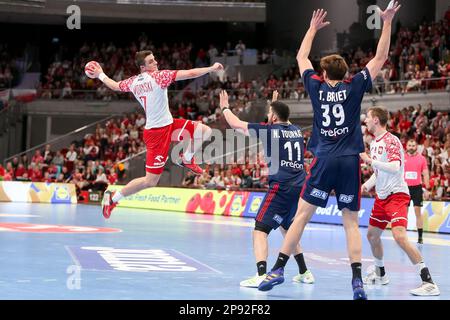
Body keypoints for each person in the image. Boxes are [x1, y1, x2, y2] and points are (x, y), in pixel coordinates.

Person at [258, 3, 401, 300]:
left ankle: (278, 269)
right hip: (349, 162)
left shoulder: (316, 87)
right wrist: (386, 22)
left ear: (323, 73)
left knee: (301, 217)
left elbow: (300, 57)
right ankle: (357, 281)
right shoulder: (355, 85)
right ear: (346, 71)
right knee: (350, 223)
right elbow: (382, 56)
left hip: (323, 160)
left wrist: (311, 30)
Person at [86, 50, 223, 218]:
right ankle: (113, 198)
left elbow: (114, 85)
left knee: (205, 131)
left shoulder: (133, 81)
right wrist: (211, 68)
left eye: (155, 60)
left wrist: (100, 74)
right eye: (151, 62)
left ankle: (187, 158)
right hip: (156, 134)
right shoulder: (159, 77)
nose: (156, 62)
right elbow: (191, 73)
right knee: (150, 181)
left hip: (170, 124)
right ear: (143, 67)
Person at [219, 90, 314, 288]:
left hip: (281, 186)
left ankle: (261, 274)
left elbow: (236, 124)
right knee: (288, 228)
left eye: (270, 112)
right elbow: (280, 119)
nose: (267, 116)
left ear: (274, 116)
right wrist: (275, 104)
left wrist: (225, 107)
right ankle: (305, 272)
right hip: (299, 186)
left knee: (260, 229)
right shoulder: (297, 131)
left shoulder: (268, 131)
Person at [360, 107, 439, 296]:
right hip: (382, 196)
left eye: (368, 118)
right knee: (372, 235)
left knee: (399, 236)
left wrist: (370, 162)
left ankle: (428, 282)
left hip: (397, 195)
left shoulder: (391, 140)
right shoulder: (373, 142)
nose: (366, 122)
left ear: (377, 120)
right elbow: (380, 173)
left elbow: (395, 167)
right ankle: (381, 274)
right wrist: (367, 185)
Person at [404, 139, 430, 244]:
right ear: (406, 146)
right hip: (404, 188)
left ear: (416, 147)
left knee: (417, 212)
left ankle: (420, 237)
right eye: (409, 145)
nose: (411, 147)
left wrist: (427, 188)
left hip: (417, 188)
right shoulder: (402, 157)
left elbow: (425, 173)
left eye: (413, 145)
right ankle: (403, 235)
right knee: (403, 213)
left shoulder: (422, 159)